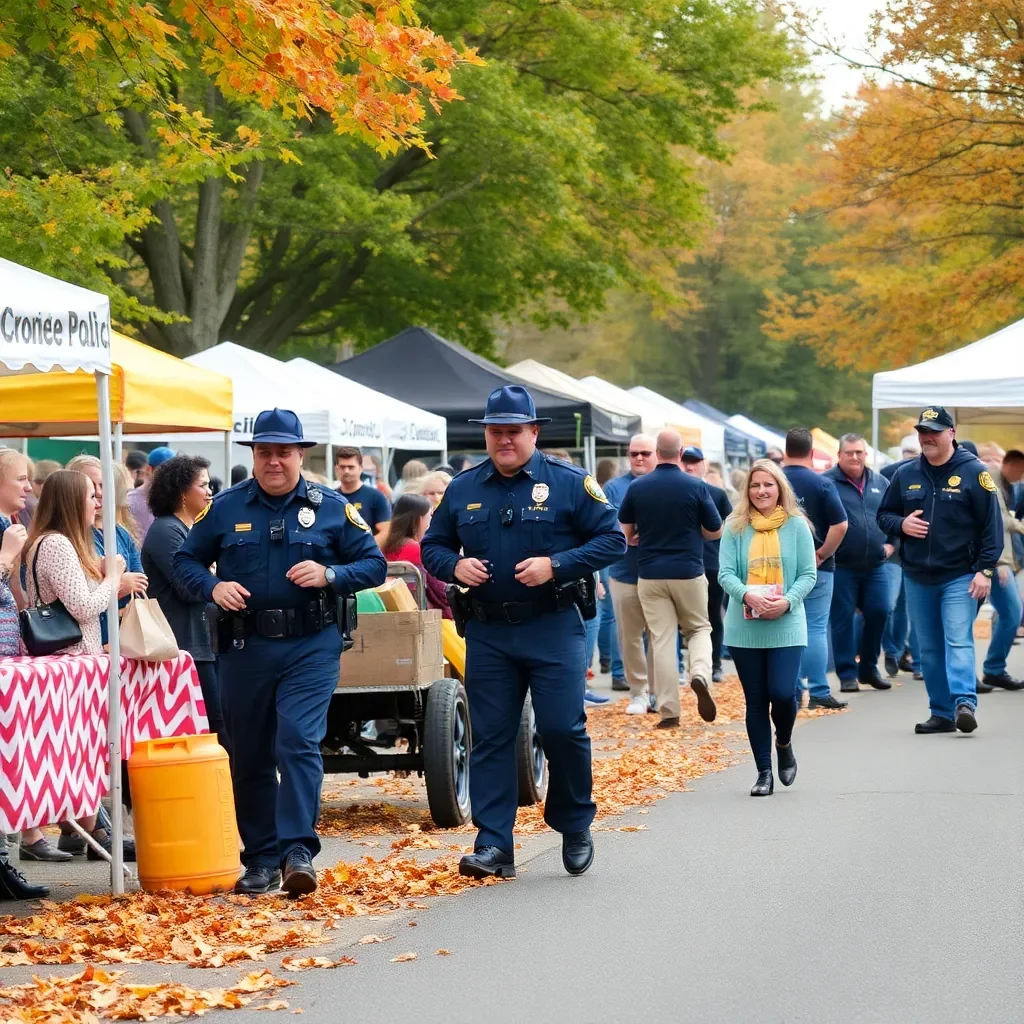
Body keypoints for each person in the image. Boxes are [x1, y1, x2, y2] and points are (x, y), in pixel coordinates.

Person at [174, 408, 386, 897]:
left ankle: (296, 852)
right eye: (264, 452)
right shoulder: (225, 508)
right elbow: (184, 559)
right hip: (245, 646)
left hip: (311, 645)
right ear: (253, 456)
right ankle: (261, 857)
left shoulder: (330, 506)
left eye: (283, 452)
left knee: (296, 742)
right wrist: (212, 586)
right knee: (248, 752)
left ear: (300, 455)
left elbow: (373, 564)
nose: (274, 462)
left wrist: (330, 574)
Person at [422, 385, 625, 881]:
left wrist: (557, 565)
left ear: (534, 432)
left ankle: (574, 822)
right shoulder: (463, 488)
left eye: (514, 431)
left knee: (562, 729)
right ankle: (494, 843)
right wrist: (456, 566)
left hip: (552, 625)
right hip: (490, 632)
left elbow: (612, 539)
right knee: (491, 738)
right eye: (496, 431)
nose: (504, 440)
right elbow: (433, 546)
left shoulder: (570, 483)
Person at [22, 470, 133, 859]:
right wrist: (114, 579)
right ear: (72, 501)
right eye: (91, 495)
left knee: (80, 752)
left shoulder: (56, 542)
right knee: (80, 752)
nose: (98, 501)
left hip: (73, 661)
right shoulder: (57, 545)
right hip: (70, 663)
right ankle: (94, 830)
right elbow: (84, 607)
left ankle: (89, 828)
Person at [877, 407, 1002, 734]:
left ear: (952, 432)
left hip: (960, 574)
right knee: (929, 648)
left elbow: (993, 528)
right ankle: (942, 712)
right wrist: (902, 524)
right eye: (922, 431)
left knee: (957, 639)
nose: (927, 437)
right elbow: (884, 516)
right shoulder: (905, 473)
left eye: (934, 431)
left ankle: (964, 701)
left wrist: (984, 571)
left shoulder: (976, 473)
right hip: (917, 575)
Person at [718, 460, 817, 796]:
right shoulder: (734, 527)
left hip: (787, 621)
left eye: (768, 485)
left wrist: (787, 601)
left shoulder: (797, 527)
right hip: (745, 626)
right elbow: (725, 573)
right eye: (755, 485)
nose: (761, 491)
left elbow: (808, 574)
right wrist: (748, 595)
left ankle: (784, 742)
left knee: (782, 692)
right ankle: (764, 773)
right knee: (756, 700)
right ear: (747, 491)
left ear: (780, 489)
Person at [618, 429, 722, 728]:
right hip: (688, 570)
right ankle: (700, 673)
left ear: (657, 453)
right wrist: (694, 532)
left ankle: (668, 711)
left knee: (662, 640)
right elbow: (715, 529)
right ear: (679, 454)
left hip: (650, 573)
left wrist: (641, 538)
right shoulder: (695, 486)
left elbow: (624, 534)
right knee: (699, 628)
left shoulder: (638, 488)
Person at [141, 455, 225, 740]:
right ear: (181, 492)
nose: (210, 491)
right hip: (185, 646)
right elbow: (189, 588)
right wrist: (212, 573)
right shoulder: (166, 529)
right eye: (203, 485)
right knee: (216, 725)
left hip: (204, 642)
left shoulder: (190, 529)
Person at [783, 428, 849, 709]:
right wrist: (822, 552)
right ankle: (820, 691)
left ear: (785, 451)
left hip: (781, 566)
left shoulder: (773, 482)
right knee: (816, 628)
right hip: (819, 567)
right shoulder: (822, 484)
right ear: (812, 453)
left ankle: (792, 690)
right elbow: (841, 524)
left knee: (787, 628)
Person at [825, 434, 894, 693]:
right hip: (841, 564)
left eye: (859, 452)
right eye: (849, 453)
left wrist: (892, 543)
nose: (855, 457)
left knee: (880, 611)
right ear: (839, 455)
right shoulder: (827, 483)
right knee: (842, 619)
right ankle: (847, 673)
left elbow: (893, 515)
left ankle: (868, 668)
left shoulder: (881, 482)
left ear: (866, 454)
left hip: (875, 564)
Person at [66, 455, 148, 642]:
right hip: (87, 639)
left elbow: (140, 579)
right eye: (90, 487)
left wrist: (113, 582)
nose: (99, 492)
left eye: (102, 485)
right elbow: (76, 599)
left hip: (124, 636)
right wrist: (118, 584)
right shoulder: (68, 536)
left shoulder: (120, 533)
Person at [605, 435, 658, 714]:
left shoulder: (664, 484)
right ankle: (639, 691)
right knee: (630, 636)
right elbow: (608, 524)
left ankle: (658, 691)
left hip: (661, 573)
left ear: (657, 455)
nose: (639, 458)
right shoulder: (614, 487)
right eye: (634, 453)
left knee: (660, 636)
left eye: (645, 453)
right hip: (625, 571)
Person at [974, 444, 1024, 690]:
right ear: (1012, 465)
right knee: (1008, 612)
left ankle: (994, 669)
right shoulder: (991, 479)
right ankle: (973, 673)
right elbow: (995, 521)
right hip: (989, 561)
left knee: (1012, 613)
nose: (1021, 478)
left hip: (993, 561)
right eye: (1021, 472)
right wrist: (1000, 561)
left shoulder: (1005, 483)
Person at [682, 446, 733, 682]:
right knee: (680, 619)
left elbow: (731, 528)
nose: (689, 466)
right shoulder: (673, 492)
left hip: (711, 563)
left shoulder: (717, 494)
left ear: (704, 465)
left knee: (712, 615)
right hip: (681, 564)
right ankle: (686, 666)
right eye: (685, 461)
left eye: (694, 462)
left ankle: (714, 665)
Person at [881, 435, 922, 679]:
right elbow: (883, 511)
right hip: (897, 552)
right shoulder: (889, 473)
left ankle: (913, 659)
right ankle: (894, 652)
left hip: (917, 554)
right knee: (892, 605)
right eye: (908, 451)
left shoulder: (932, 476)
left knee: (909, 607)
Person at [381, 493, 451, 617]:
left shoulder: (384, 546)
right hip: (420, 616)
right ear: (420, 519)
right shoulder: (416, 549)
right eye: (430, 516)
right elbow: (439, 592)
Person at [594, 459, 622, 686]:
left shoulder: (599, 491)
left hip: (601, 558)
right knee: (610, 612)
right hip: (610, 558)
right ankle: (613, 662)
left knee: (604, 612)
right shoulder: (609, 490)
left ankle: (605, 658)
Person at [334, 446, 391, 540]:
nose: (346, 471)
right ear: (337, 469)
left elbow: (385, 532)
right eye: (342, 467)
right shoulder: (331, 497)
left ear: (361, 468)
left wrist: (366, 550)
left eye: (351, 467)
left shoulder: (376, 497)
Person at [126, 446, 176, 542]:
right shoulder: (130, 501)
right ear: (149, 469)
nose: (169, 477)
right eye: (164, 471)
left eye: (173, 472)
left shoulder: (176, 501)